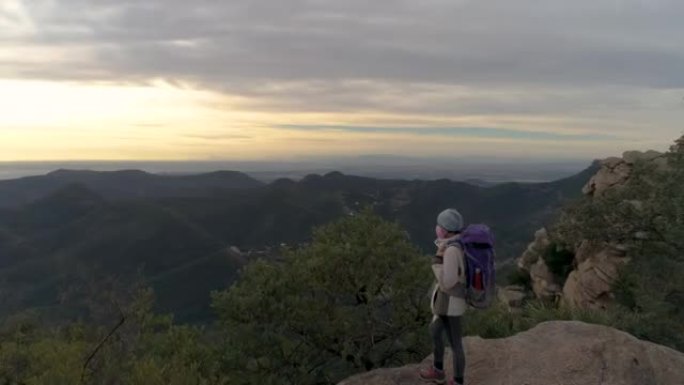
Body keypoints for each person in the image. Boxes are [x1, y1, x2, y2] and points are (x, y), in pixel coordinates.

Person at [419, 208, 467, 385]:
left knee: (455, 344)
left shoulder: (452, 250)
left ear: (446, 229)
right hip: (447, 301)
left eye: (440, 225)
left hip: (452, 302)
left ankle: (458, 381)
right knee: (435, 332)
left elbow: (449, 281)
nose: (437, 228)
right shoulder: (455, 244)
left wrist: (438, 260)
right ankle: (438, 371)